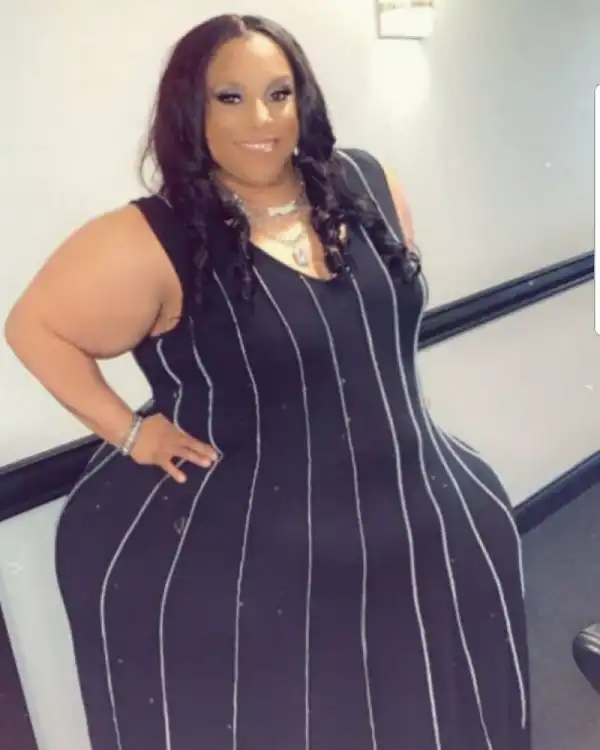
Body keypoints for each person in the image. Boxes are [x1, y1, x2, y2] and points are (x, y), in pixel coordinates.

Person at [4, 13, 531, 750]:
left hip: (419, 503)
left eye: (279, 94)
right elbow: (34, 327)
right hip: (264, 543)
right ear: (190, 110)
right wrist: (132, 433)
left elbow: (372, 334)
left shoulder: (366, 183)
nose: (261, 119)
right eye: (230, 97)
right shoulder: (151, 237)